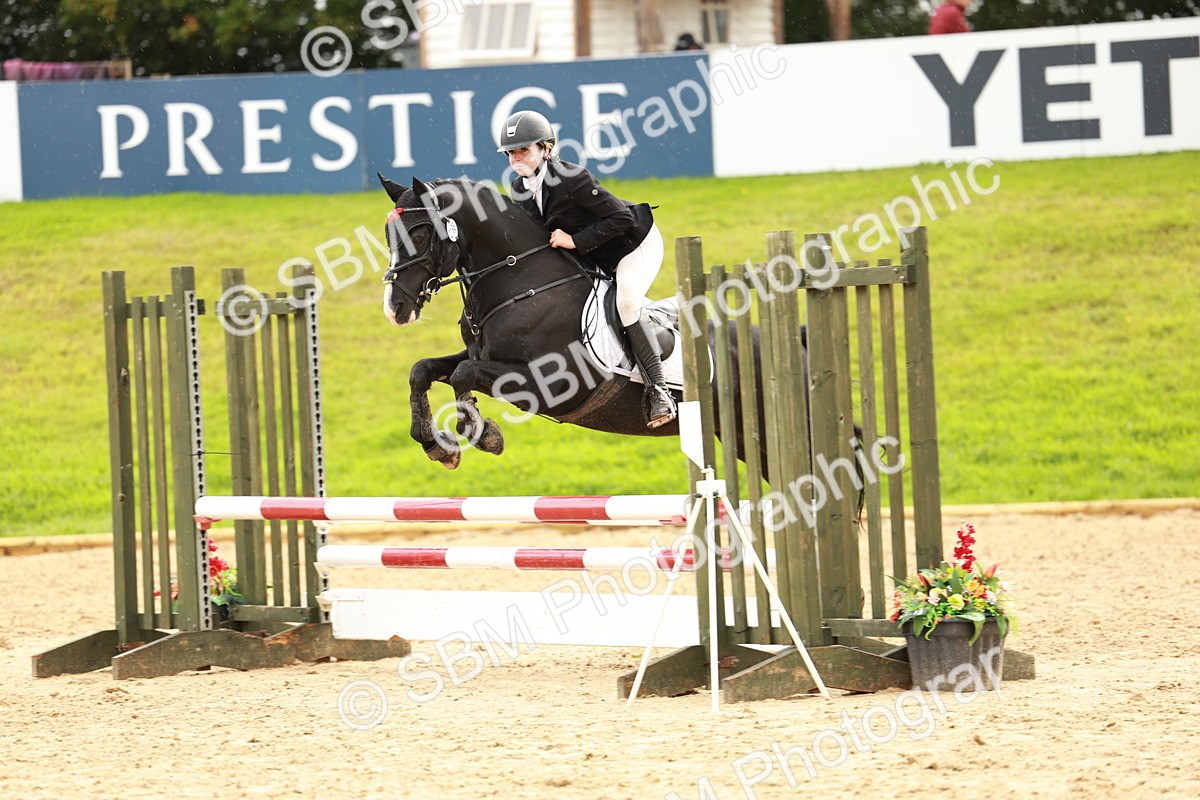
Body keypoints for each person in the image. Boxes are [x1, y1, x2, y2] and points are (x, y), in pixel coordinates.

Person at [497, 110, 677, 429]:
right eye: (511, 152)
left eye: (523, 149)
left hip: (634, 243)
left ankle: (658, 391)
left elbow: (620, 218)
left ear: (546, 149)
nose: (516, 158)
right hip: (597, 251)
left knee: (625, 304)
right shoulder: (519, 188)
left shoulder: (571, 177)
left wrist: (575, 240)